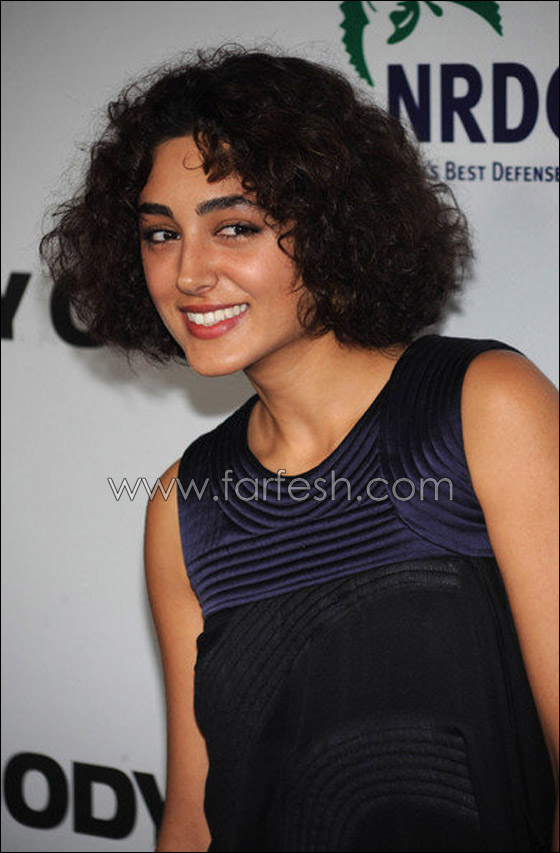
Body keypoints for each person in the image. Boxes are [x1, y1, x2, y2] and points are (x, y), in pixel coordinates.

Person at [40, 45, 558, 853]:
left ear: (332, 225)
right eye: (160, 234)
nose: (188, 273)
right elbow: (194, 820)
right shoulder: (184, 506)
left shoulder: (484, 405)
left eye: (234, 227)